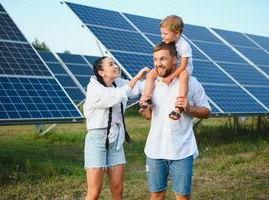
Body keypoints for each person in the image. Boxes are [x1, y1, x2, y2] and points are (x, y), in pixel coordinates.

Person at [140, 42, 211, 200]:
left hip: (182, 150)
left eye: (163, 59)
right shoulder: (150, 85)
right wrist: (145, 109)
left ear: (174, 59)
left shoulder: (191, 83)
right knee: (156, 195)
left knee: (182, 196)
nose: (158, 64)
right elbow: (148, 116)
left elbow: (206, 112)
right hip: (154, 150)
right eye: (155, 60)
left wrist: (189, 108)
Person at [83, 56, 149, 200]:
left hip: (116, 139)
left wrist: (156, 76)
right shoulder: (94, 88)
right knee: (94, 192)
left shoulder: (117, 83)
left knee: (118, 188)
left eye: (115, 63)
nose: (116, 66)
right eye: (111, 64)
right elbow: (116, 95)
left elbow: (137, 88)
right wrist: (137, 76)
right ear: (101, 72)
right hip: (97, 140)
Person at [140, 15, 193, 120]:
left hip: (184, 67)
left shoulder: (184, 45)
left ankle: (179, 106)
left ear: (177, 33)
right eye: (161, 33)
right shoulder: (168, 42)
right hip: (172, 66)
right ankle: (147, 98)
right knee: (150, 74)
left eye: (165, 33)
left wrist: (171, 77)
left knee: (184, 76)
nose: (162, 36)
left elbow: (183, 65)